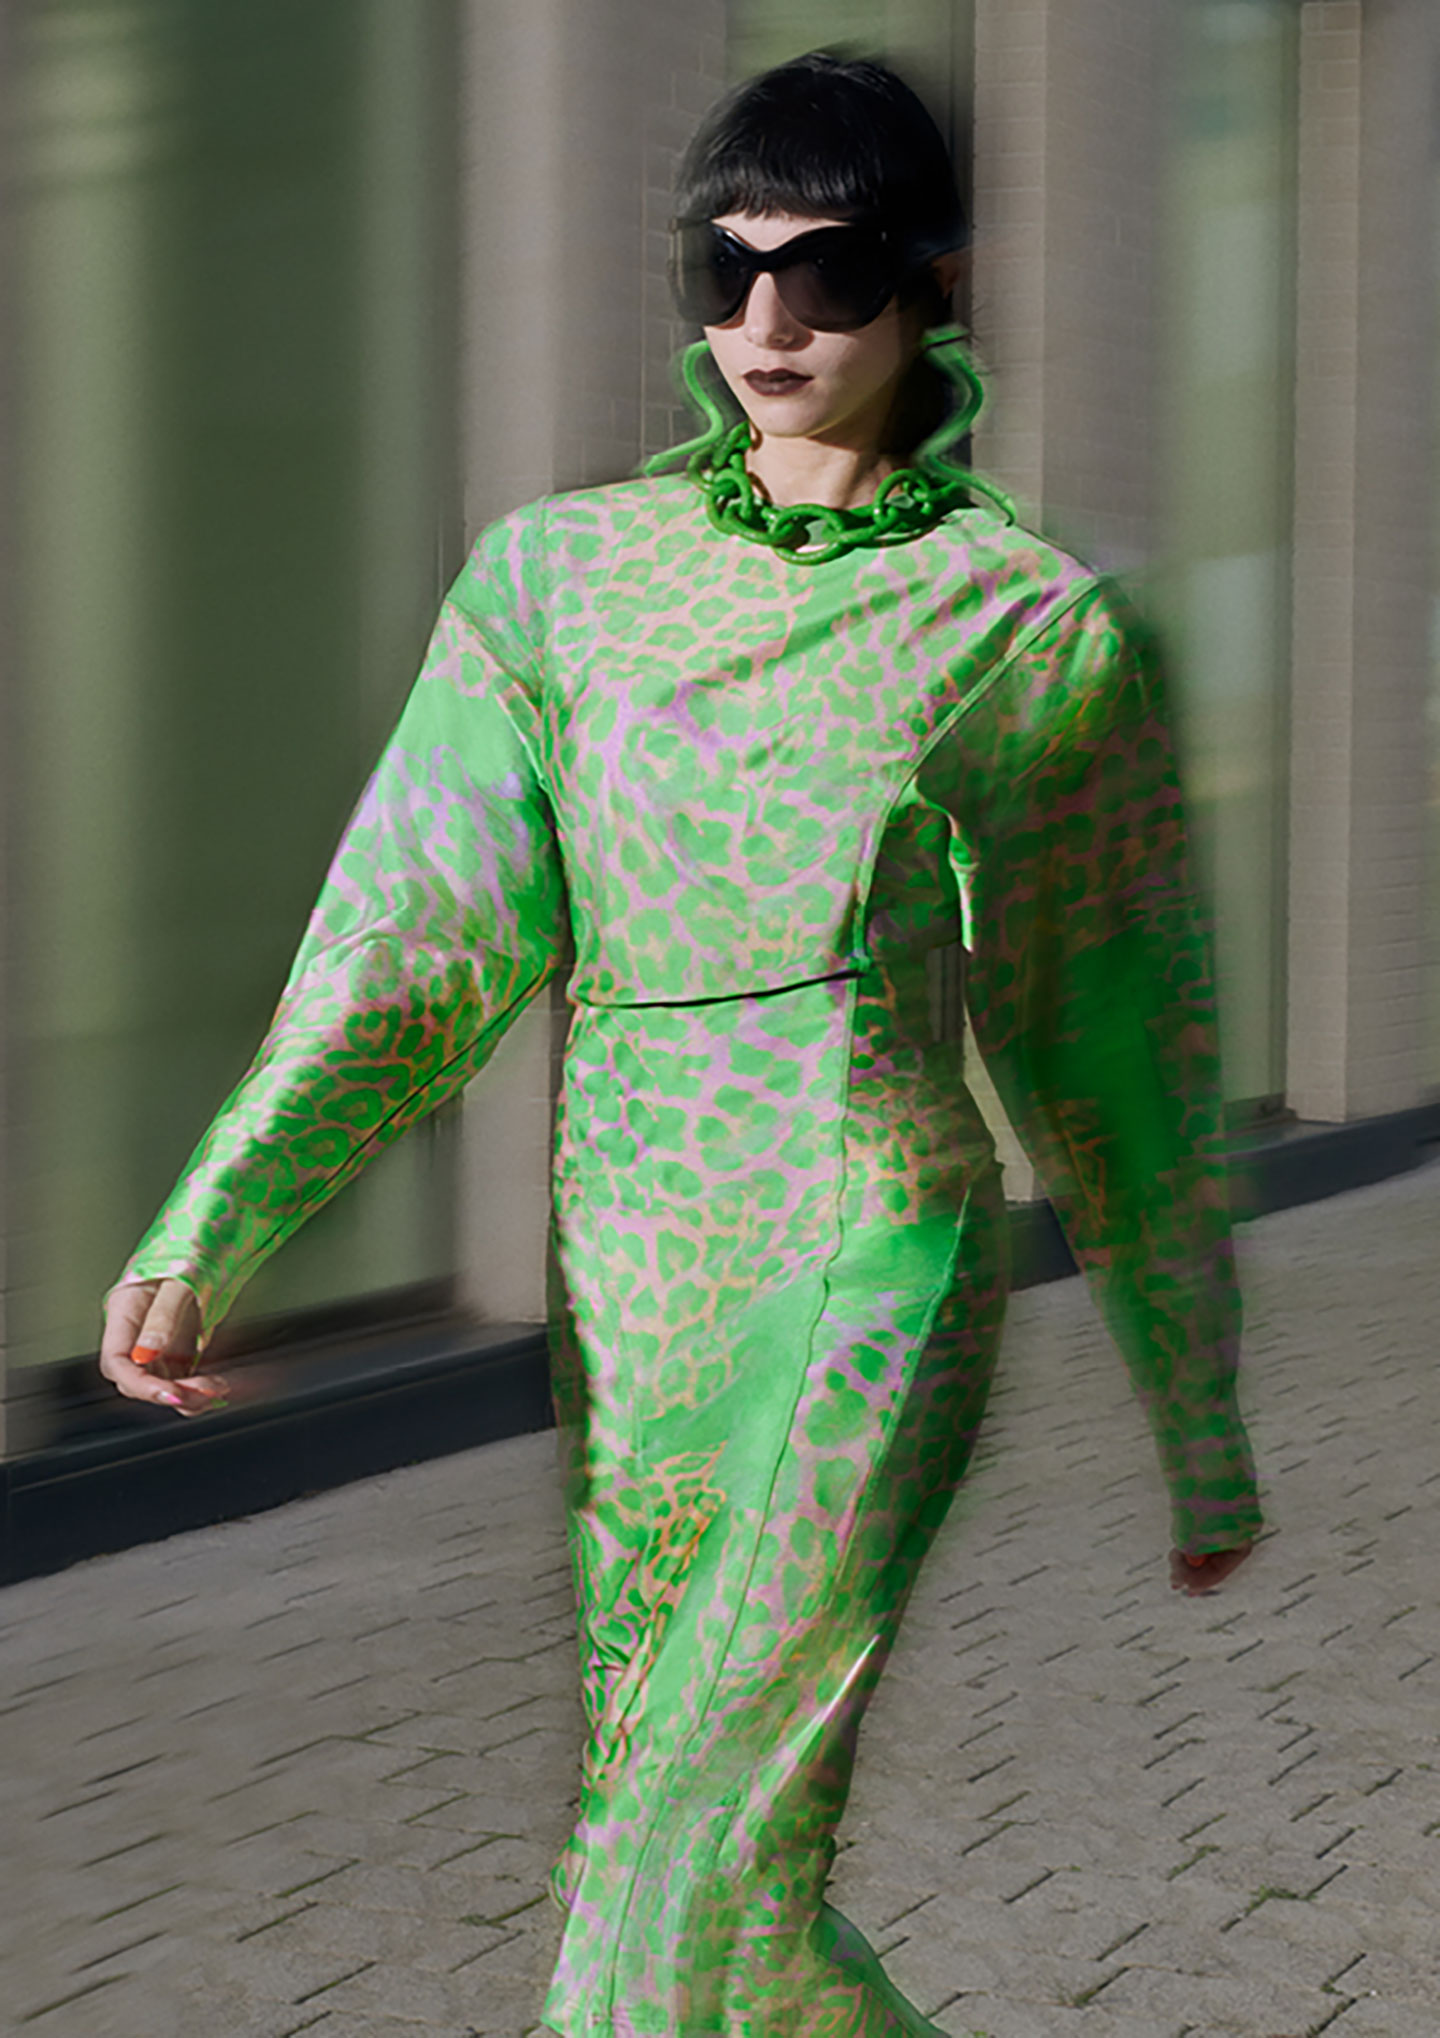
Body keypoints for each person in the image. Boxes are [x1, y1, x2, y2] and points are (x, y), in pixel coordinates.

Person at [98, 50, 1261, 2038]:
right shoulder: (553, 581)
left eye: (830, 271)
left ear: (937, 284)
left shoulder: (1027, 620)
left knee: (677, 1868)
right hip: (631, 1270)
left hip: (865, 1253)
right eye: (726, 271)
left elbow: (1115, 1037)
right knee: (703, 1865)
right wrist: (219, 1218)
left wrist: (1199, 1410)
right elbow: (416, 934)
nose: (769, 322)